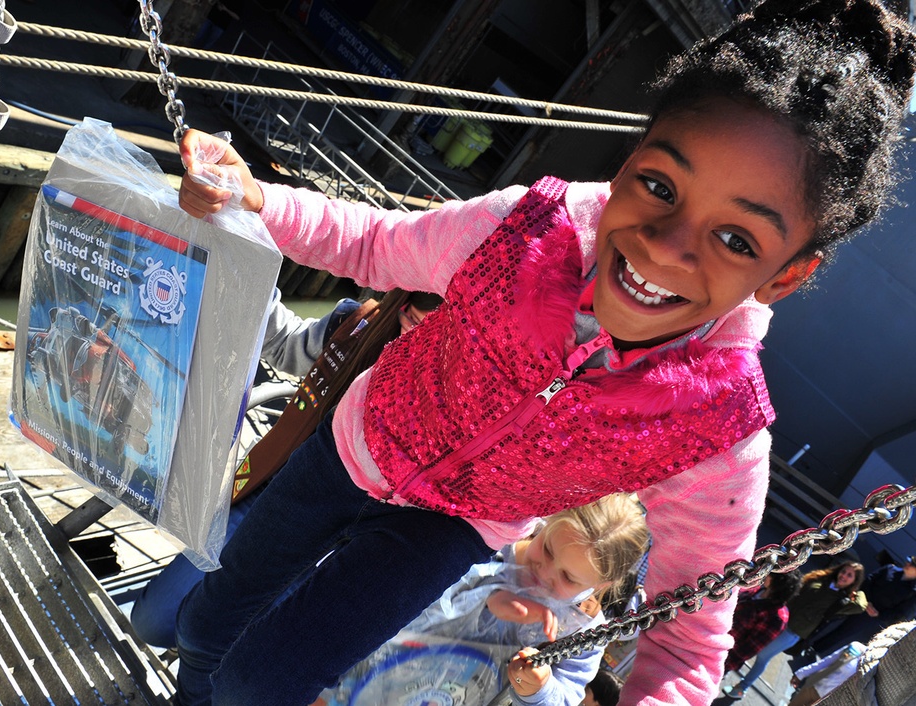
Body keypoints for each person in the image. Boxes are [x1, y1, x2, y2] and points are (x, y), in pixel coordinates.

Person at [172, 2, 916, 703]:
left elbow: (690, 635)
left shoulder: (719, 426)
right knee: (206, 624)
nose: (664, 248)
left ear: (785, 275)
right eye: (658, 185)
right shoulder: (528, 231)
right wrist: (258, 199)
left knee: (258, 686)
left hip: (454, 527)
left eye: (736, 240)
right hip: (355, 444)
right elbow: (373, 242)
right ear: (629, 160)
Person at [129, 288, 440, 647]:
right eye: (411, 319)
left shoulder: (465, 402)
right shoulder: (356, 324)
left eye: (431, 327)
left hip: (338, 543)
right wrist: (248, 277)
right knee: (154, 622)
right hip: (274, 494)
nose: (414, 335)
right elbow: (285, 342)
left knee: (223, 646)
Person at [315, 494, 648, 706]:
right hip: (357, 674)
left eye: (568, 578)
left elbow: (565, 697)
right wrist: (488, 596)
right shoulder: (492, 543)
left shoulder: (584, 631)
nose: (546, 573)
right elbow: (410, 593)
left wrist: (538, 688)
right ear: (548, 523)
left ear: (602, 584)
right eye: (546, 549)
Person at [721, 561, 867, 699]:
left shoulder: (843, 600)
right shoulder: (822, 578)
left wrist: (856, 592)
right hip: (777, 619)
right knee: (745, 641)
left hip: (793, 631)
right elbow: (797, 587)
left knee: (762, 656)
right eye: (844, 571)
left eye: (849, 576)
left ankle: (742, 688)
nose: (844, 576)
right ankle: (725, 669)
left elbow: (861, 606)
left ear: (854, 582)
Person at [813, 554, 916, 657]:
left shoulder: (912, 592)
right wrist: (866, 600)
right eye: (909, 561)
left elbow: (900, 613)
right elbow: (869, 579)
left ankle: (815, 649)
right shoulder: (890, 568)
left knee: (842, 633)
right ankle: (806, 640)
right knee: (828, 618)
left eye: (912, 565)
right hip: (857, 600)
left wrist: (878, 614)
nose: (907, 564)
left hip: (870, 616)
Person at [722, 570, 803, 678]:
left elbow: (748, 649)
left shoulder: (777, 617)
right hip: (708, 636)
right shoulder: (757, 589)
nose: (766, 573)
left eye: (771, 574)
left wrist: (724, 663)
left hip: (721, 656)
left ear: (777, 583)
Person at [787, 641, 866, 706]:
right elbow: (827, 661)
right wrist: (801, 674)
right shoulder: (856, 647)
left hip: (829, 701)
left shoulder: (872, 672)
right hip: (813, 687)